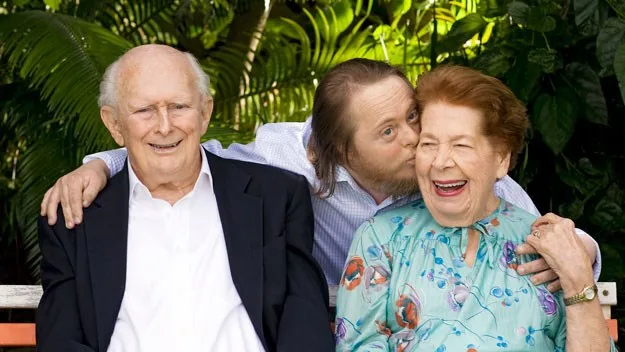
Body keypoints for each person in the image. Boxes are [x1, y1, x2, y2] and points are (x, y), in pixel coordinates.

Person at [39, 59, 600, 289]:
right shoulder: (290, 159)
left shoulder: (451, 160)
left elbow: (542, 228)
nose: (416, 140)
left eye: (411, 117)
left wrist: (580, 255)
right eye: (389, 133)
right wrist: (101, 166)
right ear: (333, 153)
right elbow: (188, 149)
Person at [36, 44, 334, 352]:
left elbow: (305, 325)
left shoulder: (277, 198)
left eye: (179, 106)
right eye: (144, 110)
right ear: (114, 124)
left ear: (205, 113)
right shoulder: (74, 218)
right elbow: (60, 341)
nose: (165, 126)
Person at [334, 66, 615, 351]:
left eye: (461, 146)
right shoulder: (381, 239)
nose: (441, 162)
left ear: (501, 159)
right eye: (429, 144)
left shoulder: (544, 249)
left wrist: (578, 275)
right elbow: (359, 345)